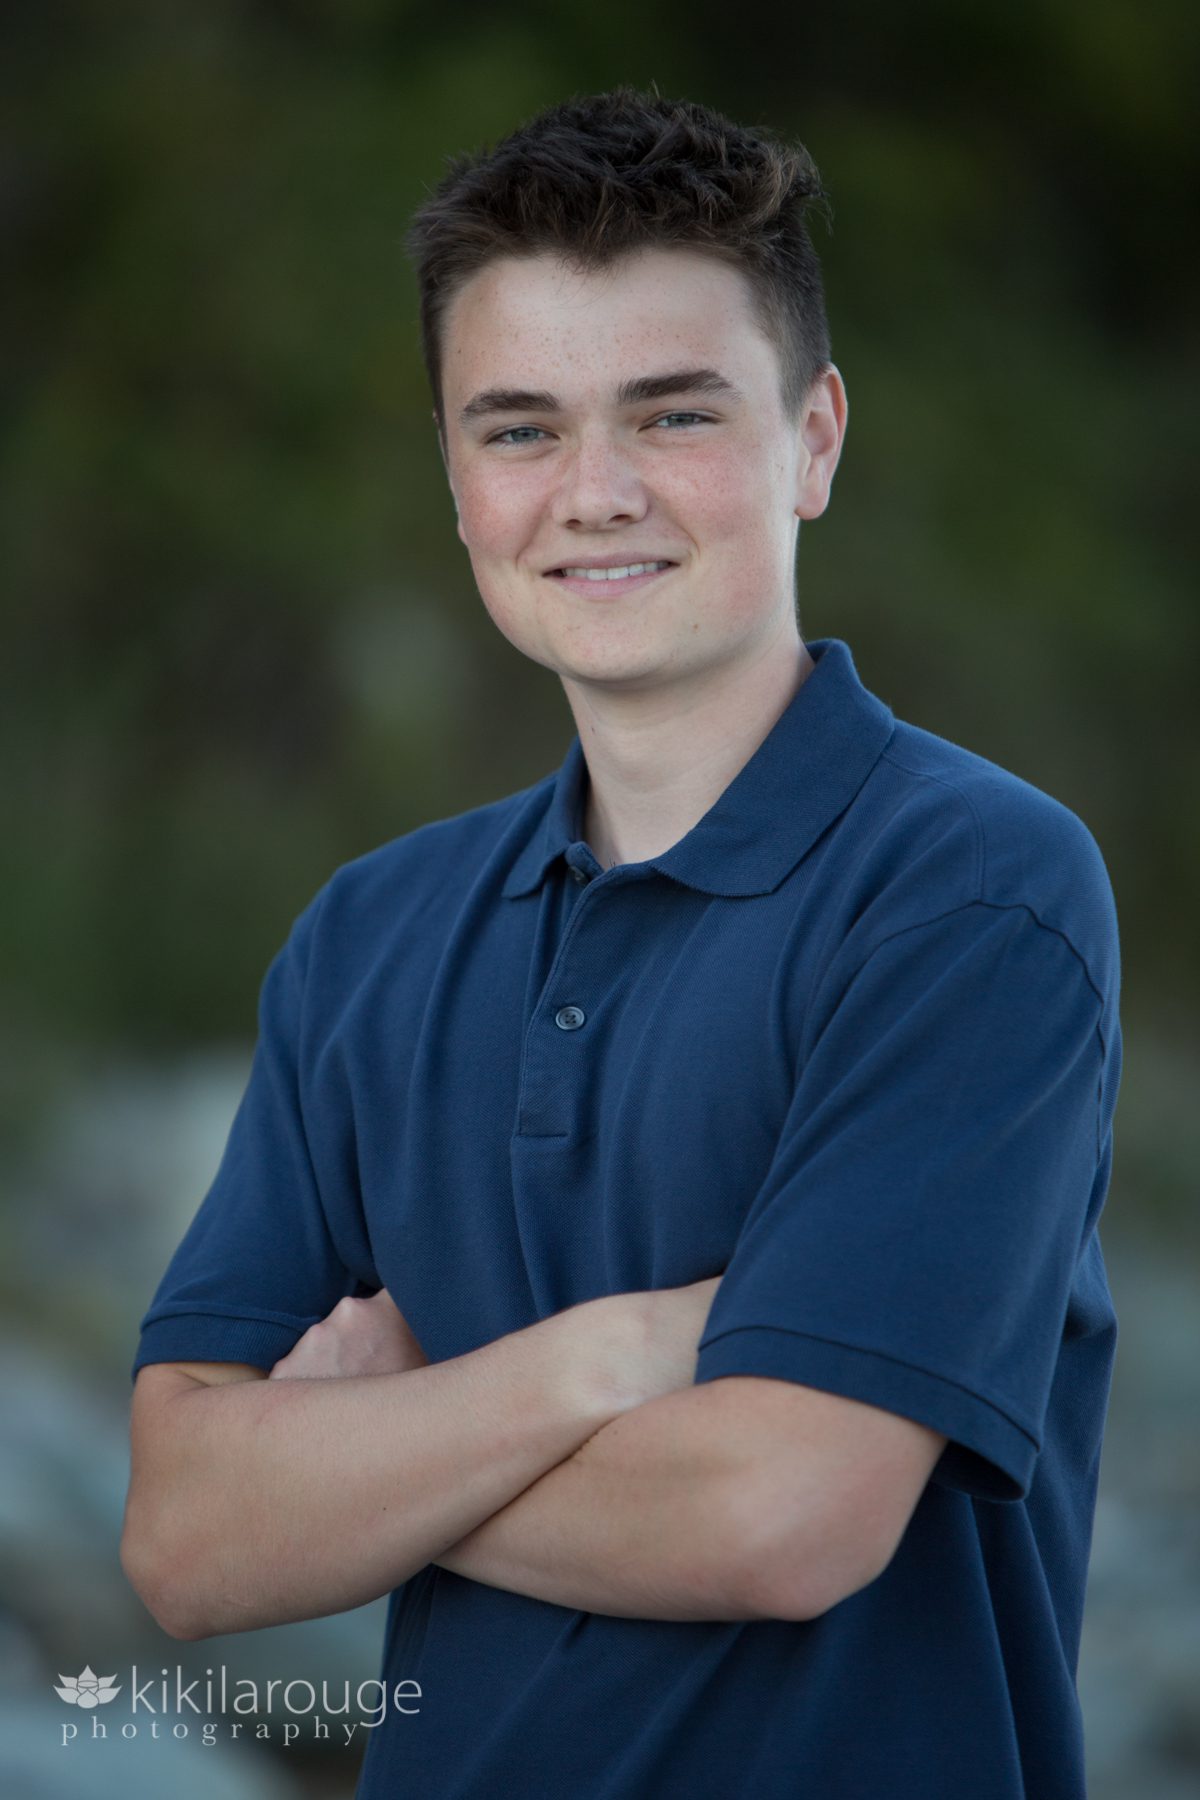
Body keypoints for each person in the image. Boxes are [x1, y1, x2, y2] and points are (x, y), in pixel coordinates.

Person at [121, 88, 1121, 1800]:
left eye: (672, 415)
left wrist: (372, 1448)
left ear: (813, 438)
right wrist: (610, 1360)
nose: (593, 493)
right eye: (517, 430)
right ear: (454, 479)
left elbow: (780, 1516)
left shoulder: (973, 893)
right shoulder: (370, 936)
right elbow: (188, 1541)